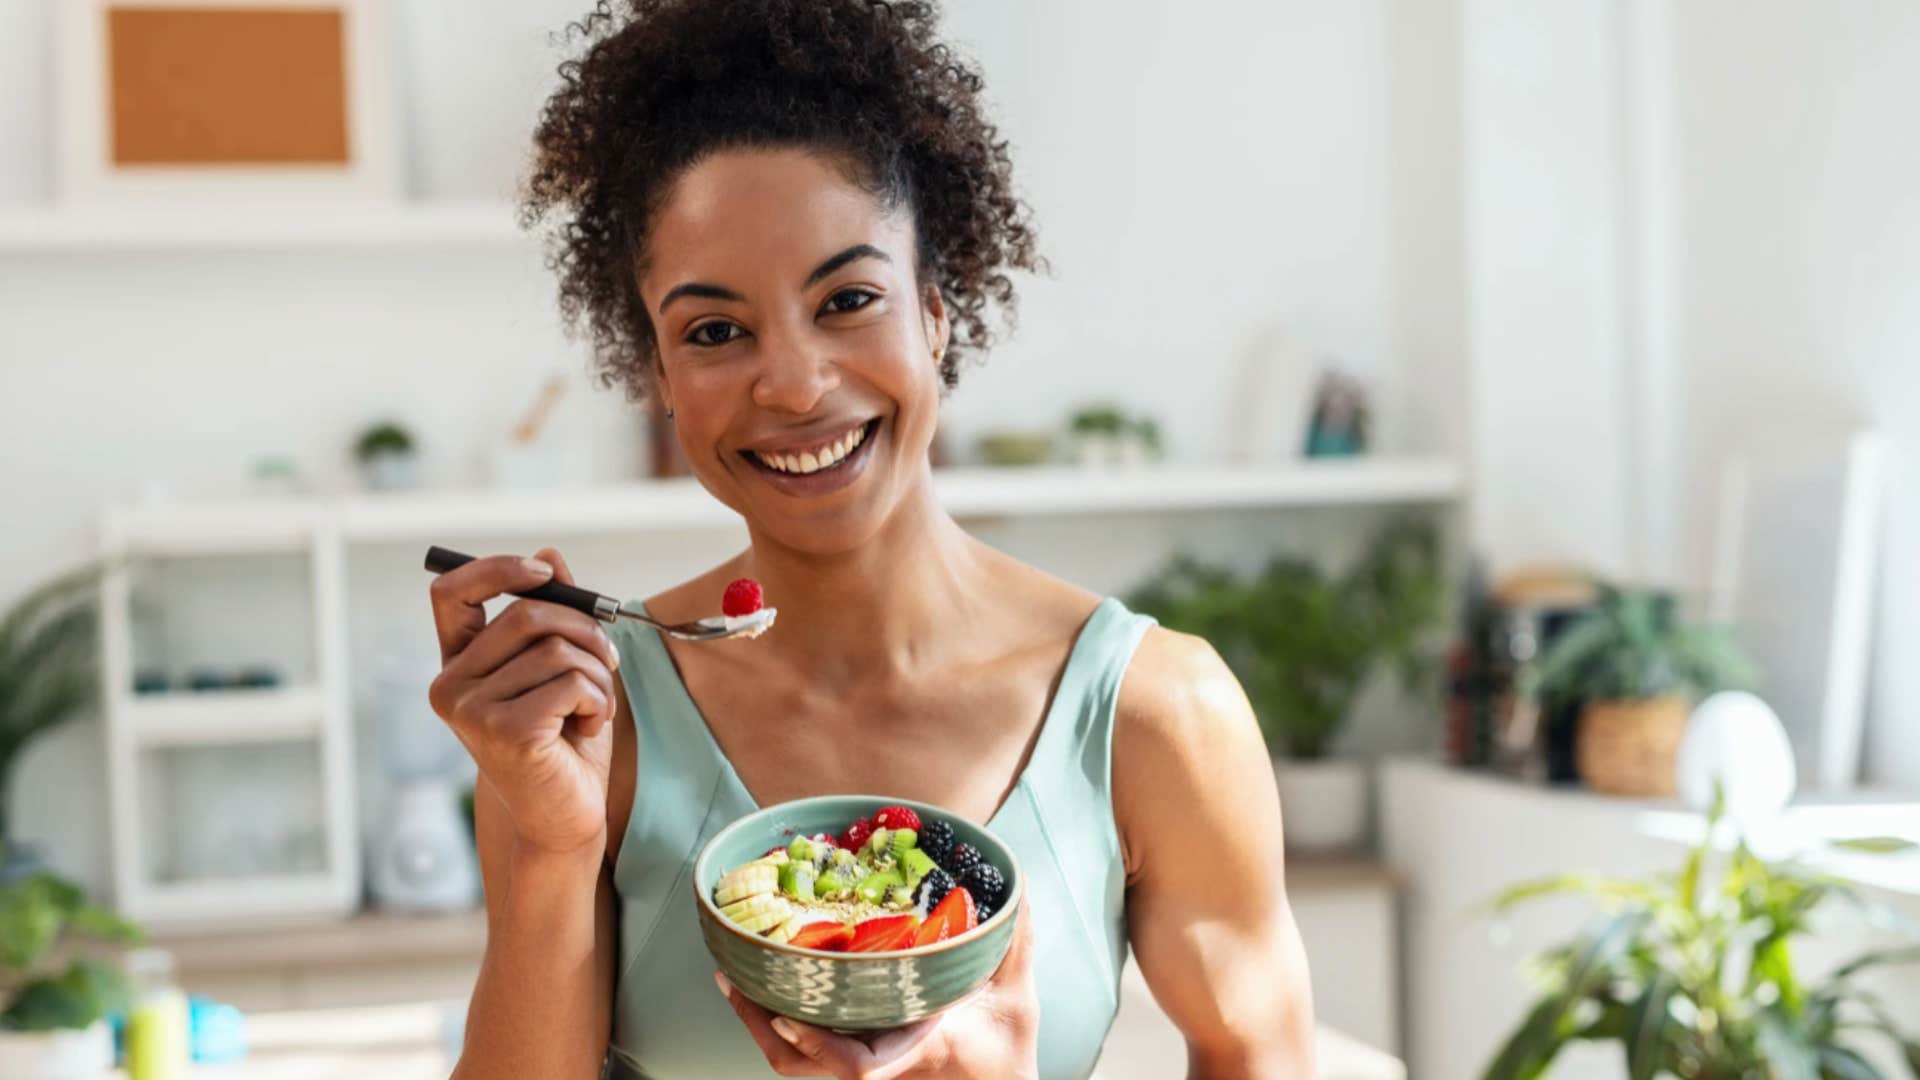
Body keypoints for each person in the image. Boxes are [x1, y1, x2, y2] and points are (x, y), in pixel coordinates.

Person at [427, 2, 1314, 1076]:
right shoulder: (590, 730)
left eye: (848, 299)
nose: (795, 383)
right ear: (659, 374)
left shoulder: (1158, 716)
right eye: (714, 331)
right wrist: (554, 851)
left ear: (935, 314)